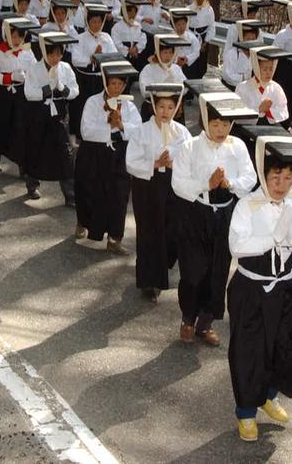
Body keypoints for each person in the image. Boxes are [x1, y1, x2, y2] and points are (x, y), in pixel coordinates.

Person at [226, 136, 292, 442]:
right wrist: (272, 238)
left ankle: (268, 396)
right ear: (262, 173)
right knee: (250, 350)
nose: (281, 184)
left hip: (290, 287)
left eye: (287, 177)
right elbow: (237, 245)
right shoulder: (248, 205)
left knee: (286, 346)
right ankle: (246, 411)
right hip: (253, 290)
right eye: (274, 177)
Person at [172, 92, 258, 347]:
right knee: (193, 270)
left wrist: (230, 183)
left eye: (226, 124)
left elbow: (250, 178)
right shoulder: (190, 146)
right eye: (215, 124)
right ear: (205, 121)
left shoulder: (238, 146)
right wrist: (205, 184)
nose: (221, 130)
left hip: (225, 213)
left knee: (218, 271)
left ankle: (206, 322)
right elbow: (178, 183)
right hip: (196, 214)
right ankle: (188, 317)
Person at [126, 83, 192, 303]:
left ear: (177, 108)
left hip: (172, 184)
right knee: (149, 231)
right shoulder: (141, 131)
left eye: (170, 107)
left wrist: (173, 162)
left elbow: (189, 158)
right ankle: (148, 281)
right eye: (161, 106)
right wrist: (154, 163)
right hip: (147, 186)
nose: (165, 111)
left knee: (172, 229)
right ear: (154, 106)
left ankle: (163, 266)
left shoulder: (181, 132)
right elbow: (131, 162)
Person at [75, 61, 142, 251]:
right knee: (91, 192)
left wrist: (121, 126)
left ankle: (115, 238)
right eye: (112, 84)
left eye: (120, 84)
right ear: (105, 83)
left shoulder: (128, 105)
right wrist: (109, 126)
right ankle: (83, 222)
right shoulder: (92, 101)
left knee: (119, 195)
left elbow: (137, 130)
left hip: (119, 156)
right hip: (94, 154)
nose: (116, 88)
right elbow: (86, 131)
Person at [22, 31, 80, 203]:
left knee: (65, 153)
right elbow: (28, 93)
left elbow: (75, 90)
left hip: (60, 115)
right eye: (51, 54)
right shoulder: (34, 68)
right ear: (44, 52)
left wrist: (62, 88)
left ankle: (70, 194)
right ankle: (32, 185)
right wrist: (46, 90)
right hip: (39, 114)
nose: (55, 58)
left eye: (58, 54)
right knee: (36, 149)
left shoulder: (65, 68)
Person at [0, 16, 35, 173]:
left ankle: (22, 162)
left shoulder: (27, 52)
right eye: (13, 36)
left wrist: (27, 76)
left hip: (21, 94)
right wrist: (9, 77)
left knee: (21, 127)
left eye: (20, 36)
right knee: (0, 125)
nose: (16, 40)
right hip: (3, 94)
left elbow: (35, 70)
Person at [70, 4, 117, 137]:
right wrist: (91, 58)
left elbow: (114, 55)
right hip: (86, 79)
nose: (96, 25)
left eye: (99, 22)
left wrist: (102, 57)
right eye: (93, 22)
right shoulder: (80, 38)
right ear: (88, 22)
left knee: (101, 107)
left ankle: (101, 133)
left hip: (102, 78)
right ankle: (79, 134)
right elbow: (76, 59)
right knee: (82, 107)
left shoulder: (106, 37)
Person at [235, 44, 291, 129]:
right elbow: (237, 115)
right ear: (256, 68)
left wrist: (269, 112)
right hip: (248, 129)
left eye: (271, 69)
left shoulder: (276, 88)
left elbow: (283, 110)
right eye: (264, 69)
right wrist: (259, 110)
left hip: (271, 127)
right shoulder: (243, 88)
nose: (268, 73)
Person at [138, 34, 189, 118]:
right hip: (153, 107)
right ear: (158, 53)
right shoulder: (149, 68)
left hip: (172, 108)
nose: (168, 56)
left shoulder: (176, 68)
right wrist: (163, 89)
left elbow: (185, 87)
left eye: (170, 53)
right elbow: (145, 90)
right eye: (165, 52)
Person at [219, 20, 263, 89]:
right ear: (241, 39)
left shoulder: (257, 56)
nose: (251, 42)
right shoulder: (232, 54)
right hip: (232, 90)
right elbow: (227, 76)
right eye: (248, 39)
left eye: (253, 39)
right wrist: (244, 77)